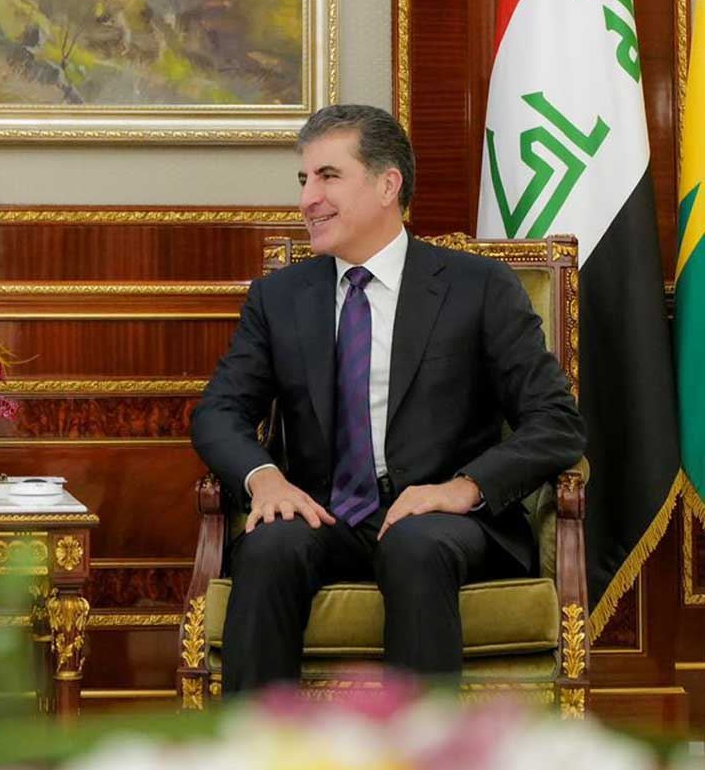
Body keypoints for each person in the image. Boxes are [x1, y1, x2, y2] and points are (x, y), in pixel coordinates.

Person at [191, 103, 584, 691]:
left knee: (415, 547)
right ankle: (259, 738)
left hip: (441, 518)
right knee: (269, 548)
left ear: (387, 184)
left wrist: (463, 488)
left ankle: (421, 739)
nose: (307, 199)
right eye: (304, 180)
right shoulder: (280, 297)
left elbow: (555, 421)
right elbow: (219, 411)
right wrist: (264, 479)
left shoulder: (478, 288)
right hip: (322, 510)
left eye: (328, 176)